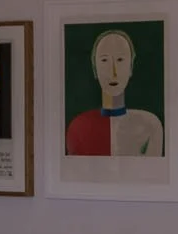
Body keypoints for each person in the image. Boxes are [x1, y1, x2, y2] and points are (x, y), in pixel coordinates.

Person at [65, 28, 165, 157]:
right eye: (104, 60)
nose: (113, 72)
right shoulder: (78, 127)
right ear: (95, 68)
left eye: (120, 60)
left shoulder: (150, 125)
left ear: (131, 67)